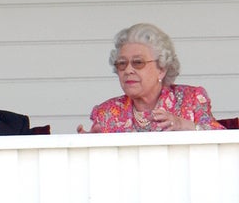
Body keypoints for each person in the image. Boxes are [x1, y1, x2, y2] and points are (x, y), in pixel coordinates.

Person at [77, 23, 225, 133]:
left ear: (161, 69)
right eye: (122, 64)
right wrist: (88, 146)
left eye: (138, 62)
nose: (128, 70)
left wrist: (185, 125)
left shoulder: (191, 99)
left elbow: (223, 141)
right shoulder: (107, 112)